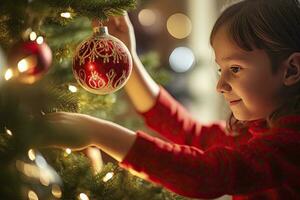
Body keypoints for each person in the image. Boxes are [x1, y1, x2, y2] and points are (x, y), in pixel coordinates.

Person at [44, 0, 300, 199]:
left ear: (291, 70)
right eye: (220, 70)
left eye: (235, 69)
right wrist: (130, 59)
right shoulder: (258, 129)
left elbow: (207, 174)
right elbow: (190, 134)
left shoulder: (291, 144)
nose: (220, 86)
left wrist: (96, 132)